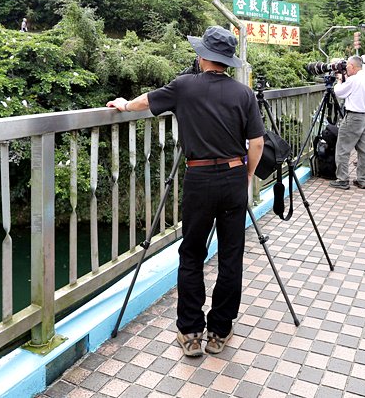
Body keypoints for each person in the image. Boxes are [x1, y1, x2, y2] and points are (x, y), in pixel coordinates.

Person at [106, 26, 264, 358]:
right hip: (234, 177)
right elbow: (257, 142)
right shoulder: (244, 93)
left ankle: (191, 332)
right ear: (227, 61)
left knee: (192, 254)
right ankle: (219, 331)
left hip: (200, 179)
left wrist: (121, 104)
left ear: (203, 56)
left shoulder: (183, 87)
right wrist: (246, 176)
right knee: (231, 256)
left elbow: (143, 103)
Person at [331, 55, 365, 190]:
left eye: (347, 66)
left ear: (353, 66)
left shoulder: (354, 80)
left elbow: (339, 92)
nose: (346, 68)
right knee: (363, 151)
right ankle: (362, 180)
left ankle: (342, 179)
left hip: (353, 117)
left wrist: (338, 81)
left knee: (343, 149)